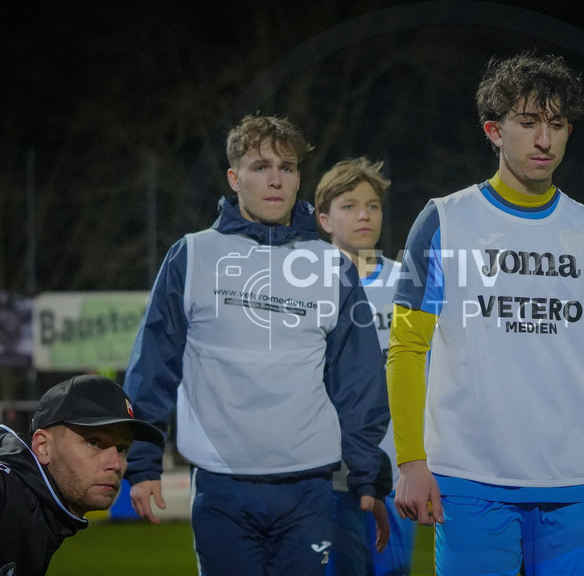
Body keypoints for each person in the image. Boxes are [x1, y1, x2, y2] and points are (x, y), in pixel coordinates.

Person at [387, 51, 584, 574]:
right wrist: (411, 461)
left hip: (571, 482)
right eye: (528, 122)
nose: (544, 140)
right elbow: (407, 347)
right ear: (494, 130)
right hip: (468, 481)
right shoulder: (445, 221)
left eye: (556, 125)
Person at [123, 114, 392, 575]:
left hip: (309, 485)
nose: (275, 180)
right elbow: (154, 366)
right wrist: (143, 463)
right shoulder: (193, 255)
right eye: (260, 167)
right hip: (220, 482)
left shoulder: (331, 265)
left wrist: (368, 472)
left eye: (287, 168)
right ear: (234, 178)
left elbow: (359, 380)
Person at [0, 374, 162, 575]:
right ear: (43, 446)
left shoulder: (42, 513)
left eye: (122, 448)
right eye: (94, 442)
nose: (115, 464)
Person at [315, 157, 416, 576]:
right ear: (324, 219)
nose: (363, 215)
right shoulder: (306, 285)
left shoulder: (407, 284)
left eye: (372, 205)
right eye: (349, 205)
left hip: (396, 467)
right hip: (327, 469)